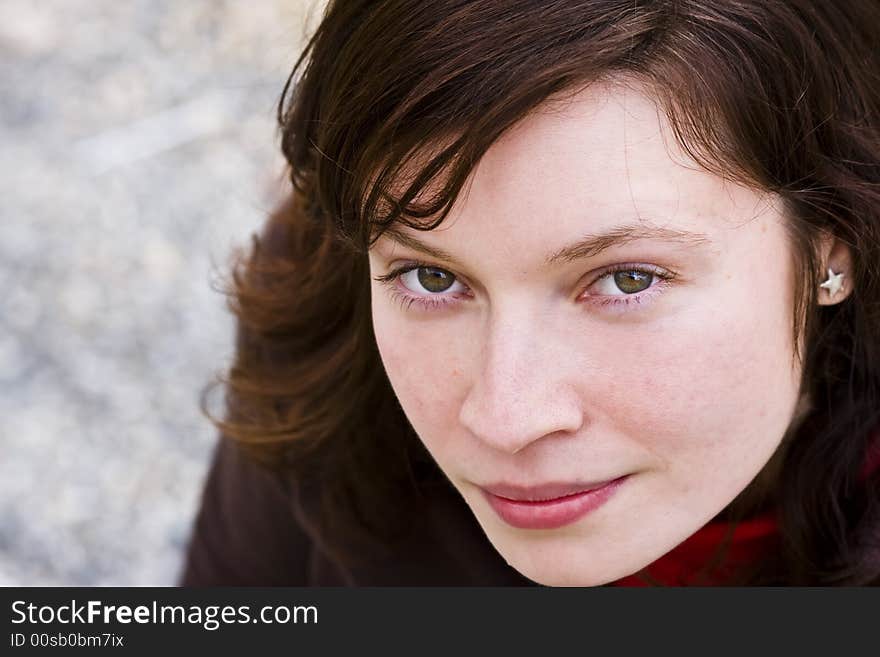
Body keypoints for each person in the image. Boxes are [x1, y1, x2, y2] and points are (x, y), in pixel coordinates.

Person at [180, 0, 880, 586]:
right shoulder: (322, 318)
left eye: (625, 280)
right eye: (432, 277)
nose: (506, 419)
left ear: (832, 241)